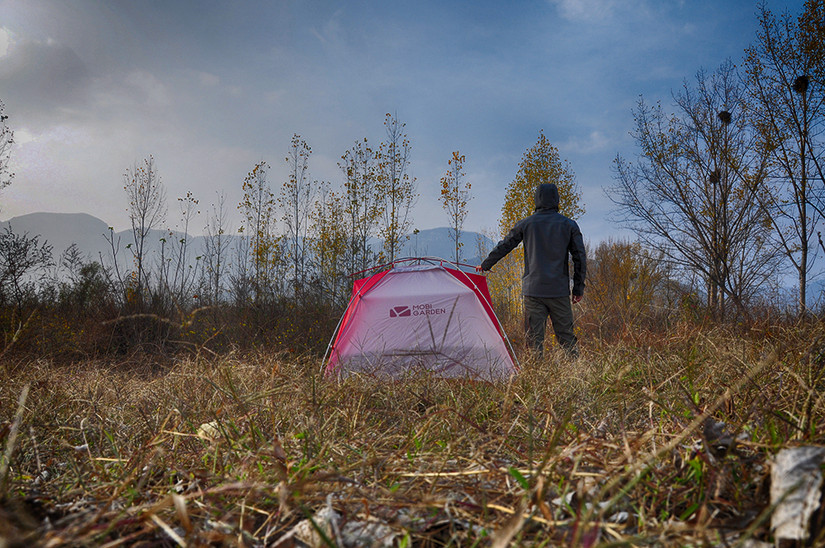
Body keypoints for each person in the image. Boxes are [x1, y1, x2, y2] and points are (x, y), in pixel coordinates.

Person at [476, 183, 586, 358]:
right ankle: (574, 377)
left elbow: (506, 244)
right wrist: (578, 288)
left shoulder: (526, 224)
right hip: (559, 291)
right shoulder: (569, 225)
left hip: (533, 291)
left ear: (537, 199)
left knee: (534, 341)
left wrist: (486, 264)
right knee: (567, 339)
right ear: (556, 199)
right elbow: (580, 256)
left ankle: (535, 379)